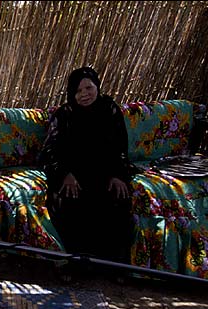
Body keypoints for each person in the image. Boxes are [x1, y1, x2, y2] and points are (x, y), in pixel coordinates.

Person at [39, 66, 136, 263]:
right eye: (79, 91)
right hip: (73, 175)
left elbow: (120, 147)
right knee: (69, 200)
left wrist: (118, 175)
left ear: (97, 87)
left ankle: (114, 265)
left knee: (118, 197)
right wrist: (64, 174)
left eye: (89, 88)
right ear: (71, 93)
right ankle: (78, 263)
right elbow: (49, 152)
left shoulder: (109, 110)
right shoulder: (64, 115)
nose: (85, 94)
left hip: (106, 173)